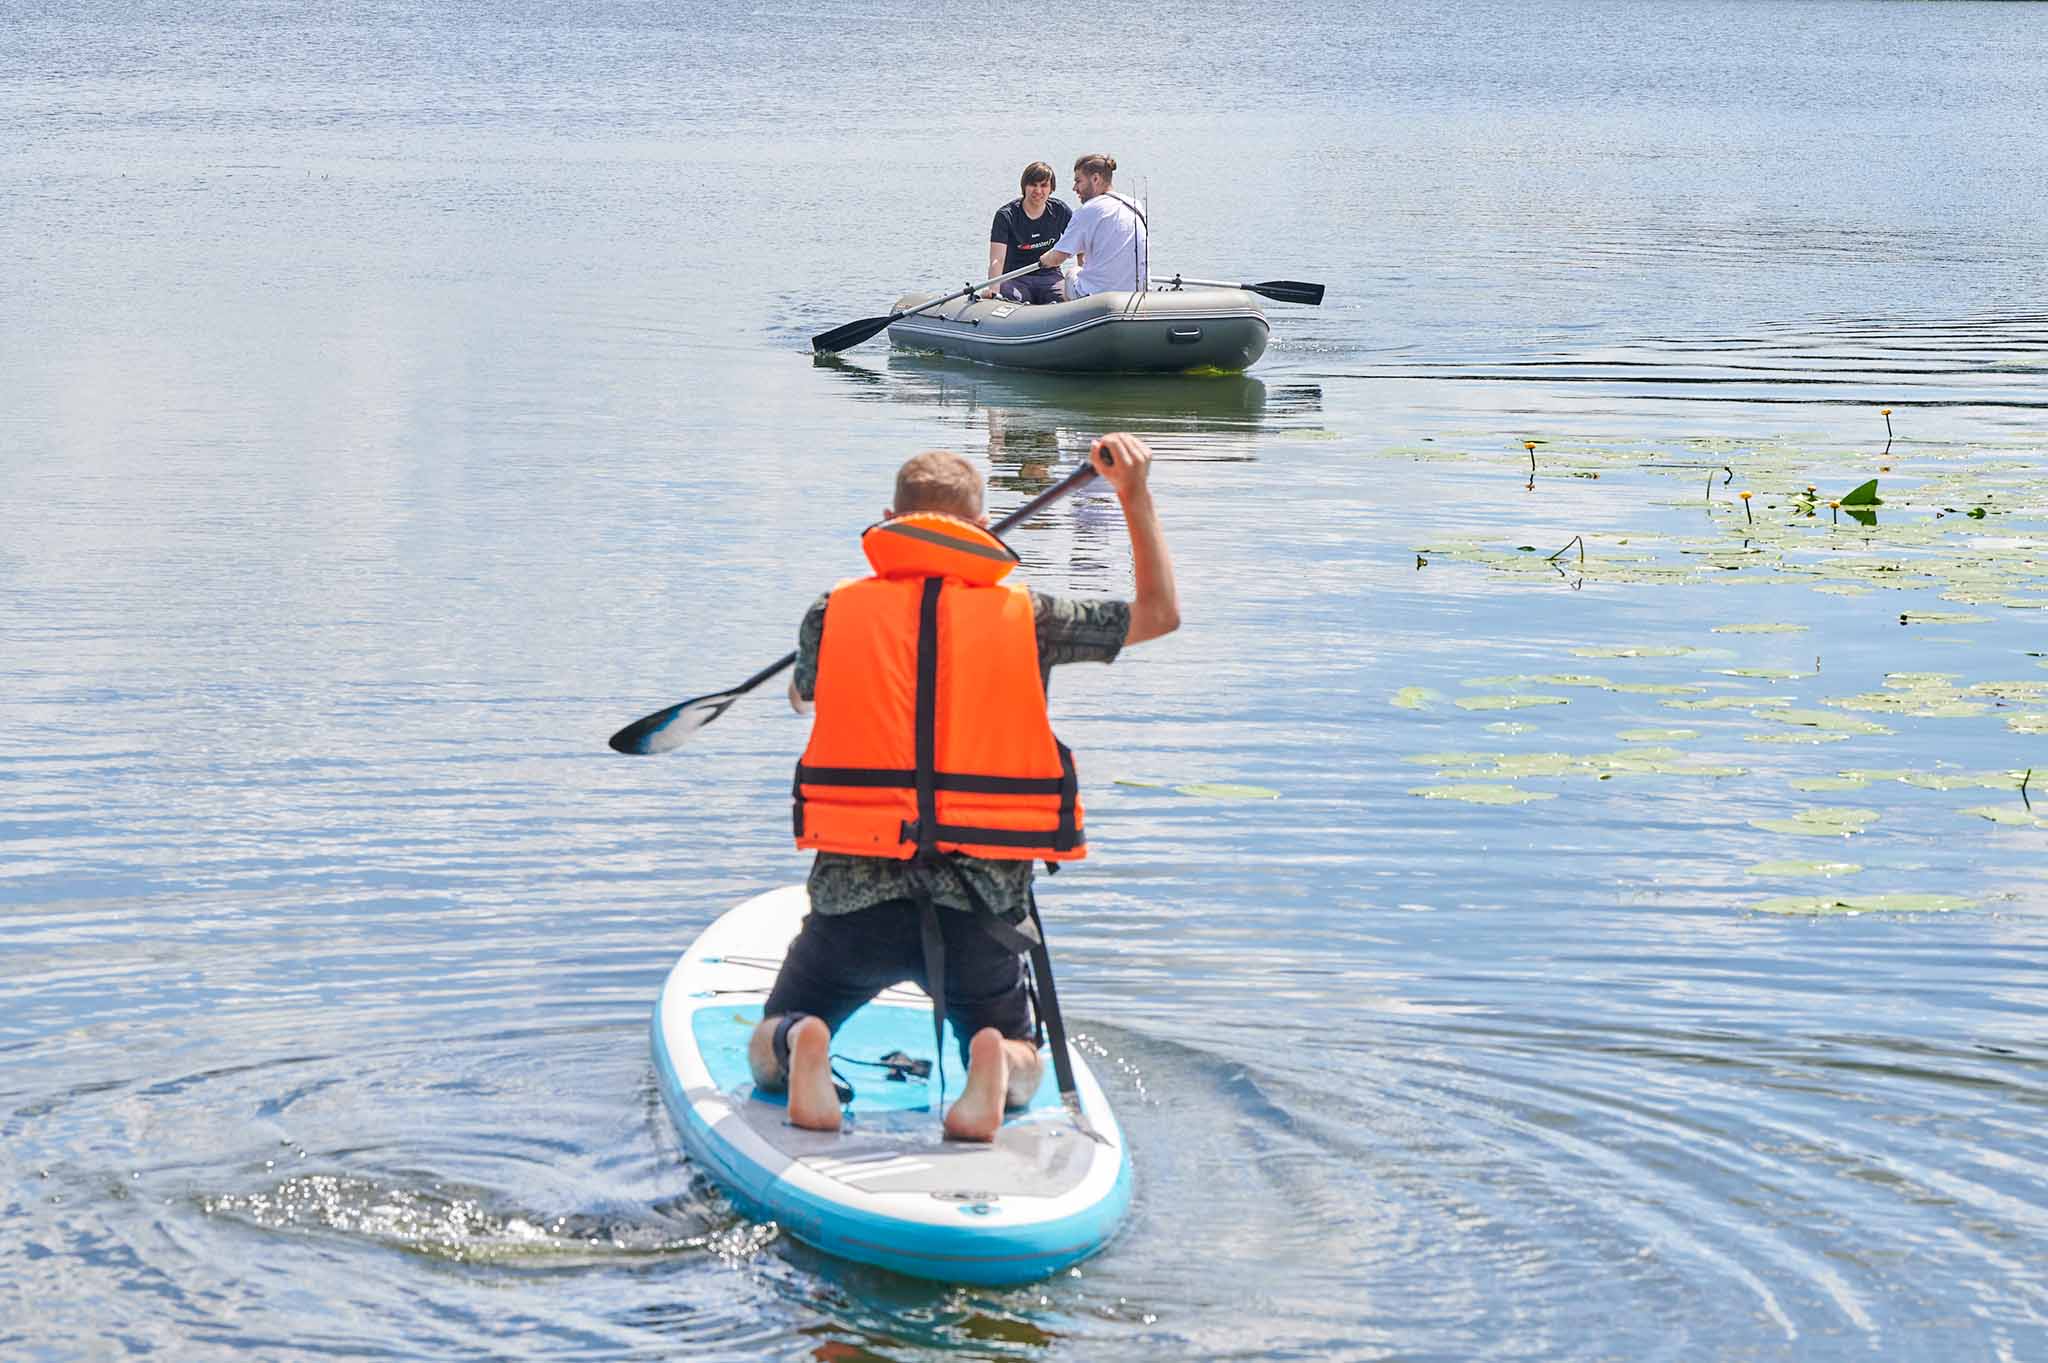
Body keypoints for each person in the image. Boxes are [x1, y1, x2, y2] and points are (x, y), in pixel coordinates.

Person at [749, 435, 1179, 1141]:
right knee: (1023, 1056)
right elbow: (1159, 613)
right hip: (980, 906)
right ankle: (997, 1064)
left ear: (890, 519)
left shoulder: (833, 612)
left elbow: (804, 698)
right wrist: (1133, 495)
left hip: (853, 903)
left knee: (767, 1040)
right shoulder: (1032, 616)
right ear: (981, 532)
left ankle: (802, 1045)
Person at [1038, 154, 1148, 299]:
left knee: (1072, 272)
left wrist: (1042, 261)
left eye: (1078, 181)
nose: (1074, 188)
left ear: (1095, 179)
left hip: (1099, 299)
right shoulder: (1135, 205)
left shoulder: (1088, 210)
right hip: (1136, 295)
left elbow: (1057, 258)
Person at [981, 162, 1073, 305]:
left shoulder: (1060, 211)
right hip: (1015, 277)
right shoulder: (1006, 216)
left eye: (1043, 186)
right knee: (1012, 300)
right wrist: (994, 289)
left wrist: (1083, 271)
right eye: (1033, 185)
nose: (1038, 191)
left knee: (1066, 300)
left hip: (1049, 276)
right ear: (1024, 186)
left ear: (1051, 189)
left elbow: (1080, 242)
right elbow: (997, 260)